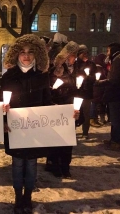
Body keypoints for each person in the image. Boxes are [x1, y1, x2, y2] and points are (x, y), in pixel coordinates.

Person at [0, 34, 79, 214]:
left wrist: (67, 113)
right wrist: (3, 117)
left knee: (32, 164)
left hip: (35, 131)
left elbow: (47, 103)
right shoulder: (8, 78)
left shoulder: (41, 77)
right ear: (16, 55)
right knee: (18, 164)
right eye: (22, 52)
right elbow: (0, 103)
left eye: (30, 52)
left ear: (36, 55)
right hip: (15, 129)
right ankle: (18, 197)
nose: (26, 56)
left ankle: (28, 196)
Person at [46, 41, 79, 178]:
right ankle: (54, 164)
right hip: (57, 107)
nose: (74, 58)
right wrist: (54, 89)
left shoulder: (72, 69)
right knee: (56, 138)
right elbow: (48, 85)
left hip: (69, 106)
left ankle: (65, 165)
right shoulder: (56, 68)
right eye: (72, 55)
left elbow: (72, 87)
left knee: (67, 139)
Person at [95, 42, 120, 150]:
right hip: (115, 94)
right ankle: (113, 139)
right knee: (115, 118)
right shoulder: (116, 59)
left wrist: (100, 83)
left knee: (116, 119)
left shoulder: (118, 60)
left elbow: (113, 79)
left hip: (116, 94)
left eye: (108, 50)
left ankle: (116, 141)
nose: (107, 53)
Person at [74, 44, 97, 139]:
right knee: (75, 113)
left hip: (87, 93)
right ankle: (72, 131)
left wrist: (88, 77)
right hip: (76, 93)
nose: (85, 54)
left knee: (86, 113)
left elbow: (95, 78)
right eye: (83, 53)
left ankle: (85, 132)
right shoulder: (75, 64)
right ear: (79, 54)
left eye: (87, 52)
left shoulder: (91, 64)